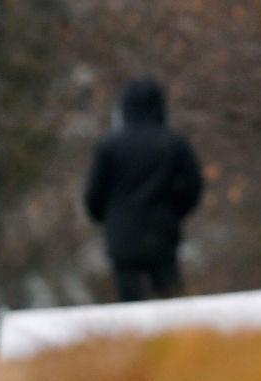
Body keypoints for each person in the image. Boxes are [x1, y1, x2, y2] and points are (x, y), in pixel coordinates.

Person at [85, 76, 202, 301]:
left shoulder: (109, 146)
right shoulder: (174, 143)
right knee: (171, 303)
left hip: (122, 240)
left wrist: (109, 218)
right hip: (163, 235)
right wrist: (174, 212)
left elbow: (93, 196)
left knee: (130, 310)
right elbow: (193, 186)